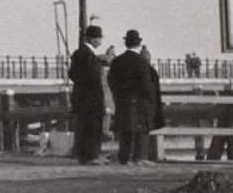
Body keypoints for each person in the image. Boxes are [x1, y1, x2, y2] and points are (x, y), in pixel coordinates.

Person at [107, 29, 156, 166]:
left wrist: (118, 94)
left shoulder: (117, 61)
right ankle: (140, 157)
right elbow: (146, 83)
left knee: (125, 129)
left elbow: (111, 80)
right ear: (139, 44)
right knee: (141, 129)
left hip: (123, 99)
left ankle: (125, 157)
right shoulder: (142, 61)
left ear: (126, 43)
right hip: (139, 100)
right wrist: (150, 97)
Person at [68, 25, 108, 165]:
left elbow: (72, 74)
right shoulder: (88, 55)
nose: (100, 41)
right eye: (99, 38)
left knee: (85, 127)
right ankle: (91, 156)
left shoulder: (79, 53)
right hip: (91, 97)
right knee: (92, 127)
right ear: (93, 39)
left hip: (81, 97)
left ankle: (89, 155)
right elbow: (92, 76)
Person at [141, 45, 166, 162]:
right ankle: (144, 155)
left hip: (143, 104)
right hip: (148, 104)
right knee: (146, 130)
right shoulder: (150, 70)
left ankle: (142, 155)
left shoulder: (143, 69)